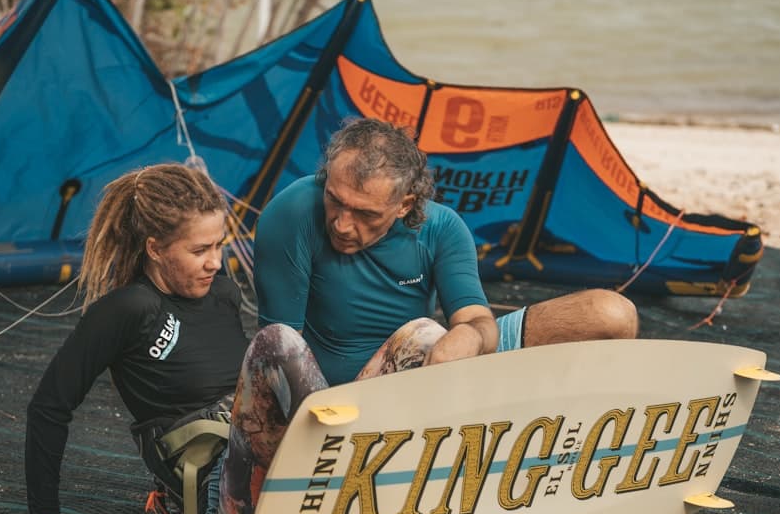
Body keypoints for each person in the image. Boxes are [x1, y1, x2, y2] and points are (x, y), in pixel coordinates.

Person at [25, 163, 323, 514]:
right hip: (223, 506)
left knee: (418, 337)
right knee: (280, 342)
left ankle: (335, 479)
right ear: (155, 248)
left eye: (219, 245)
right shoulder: (128, 309)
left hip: (280, 474)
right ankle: (325, 479)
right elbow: (49, 406)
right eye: (199, 250)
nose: (215, 261)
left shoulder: (223, 294)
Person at [253, 117, 639, 387]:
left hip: (429, 362)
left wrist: (469, 336)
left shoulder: (442, 227)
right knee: (420, 333)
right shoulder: (292, 213)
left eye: (365, 213)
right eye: (335, 200)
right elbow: (281, 351)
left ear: (404, 205)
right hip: (347, 389)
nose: (340, 223)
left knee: (611, 313)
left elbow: (478, 320)